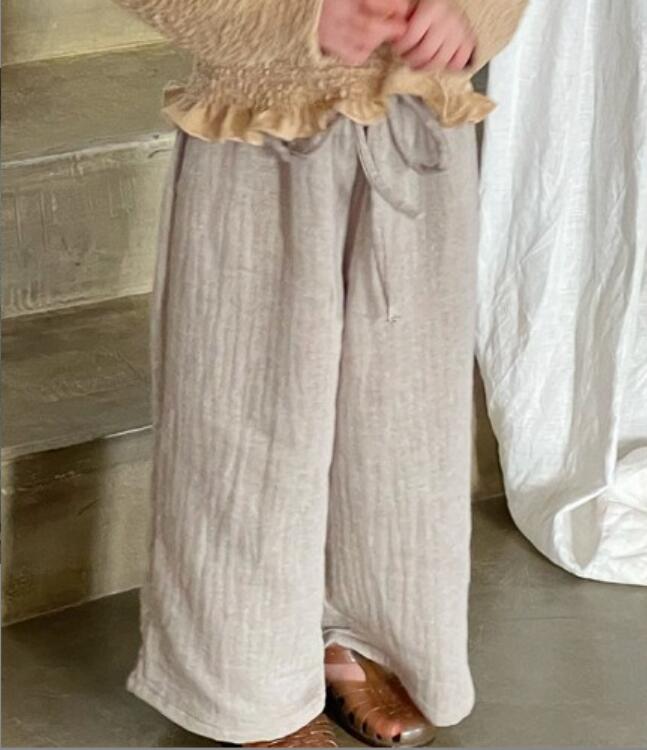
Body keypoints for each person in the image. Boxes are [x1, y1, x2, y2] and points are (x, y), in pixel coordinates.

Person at [114, 0, 526, 746]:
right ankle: (249, 683)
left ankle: (363, 635)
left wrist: (473, 12)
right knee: (247, 417)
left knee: (403, 422)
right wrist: (293, 20)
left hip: (417, 119)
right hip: (261, 120)